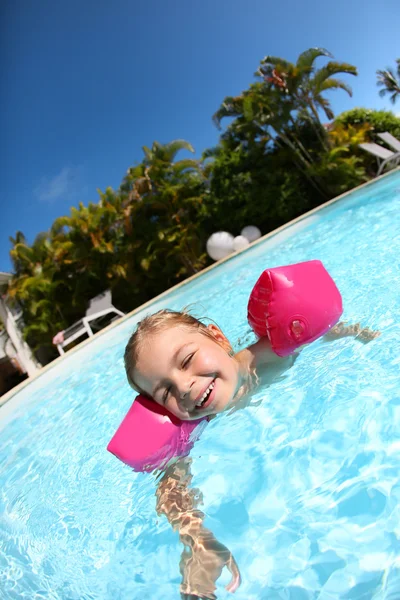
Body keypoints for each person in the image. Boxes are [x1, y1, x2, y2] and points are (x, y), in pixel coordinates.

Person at [124, 310, 379, 599]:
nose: (183, 387)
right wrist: (197, 541)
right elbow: (170, 489)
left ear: (218, 338)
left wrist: (360, 336)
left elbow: (319, 332)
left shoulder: (263, 357)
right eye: (165, 391)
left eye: (186, 360)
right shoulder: (191, 429)